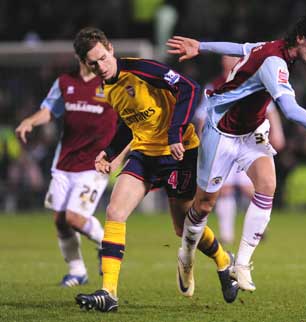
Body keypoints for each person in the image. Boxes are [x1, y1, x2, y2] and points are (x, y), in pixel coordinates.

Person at [166, 9, 306, 292]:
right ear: (301, 38)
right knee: (204, 205)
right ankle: (186, 254)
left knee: (267, 185)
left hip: (251, 131)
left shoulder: (275, 48)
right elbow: (291, 111)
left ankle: (242, 264)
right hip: (221, 129)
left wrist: (201, 46)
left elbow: (241, 49)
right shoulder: (275, 62)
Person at [72, 27, 238, 313]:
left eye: (102, 58)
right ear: (85, 64)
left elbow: (189, 88)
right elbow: (128, 124)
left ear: (110, 48)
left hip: (179, 153)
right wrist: (110, 152)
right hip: (144, 155)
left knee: (182, 227)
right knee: (115, 212)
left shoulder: (141, 69)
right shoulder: (107, 88)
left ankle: (223, 260)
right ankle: (108, 292)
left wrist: (175, 133)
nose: (100, 66)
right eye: (93, 63)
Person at [15, 59, 117, 287]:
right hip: (64, 162)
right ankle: (77, 271)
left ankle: (105, 243)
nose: (99, 61)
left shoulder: (111, 81)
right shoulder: (65, 82)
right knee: (61, 220)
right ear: (82, 57)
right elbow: (50, 110)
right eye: (94, 57)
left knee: (74, 217)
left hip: (96, 163)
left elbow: (126, 117)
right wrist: (30, 121)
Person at [195, 56, 286, 245]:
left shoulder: (252, 79)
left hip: (248, 142)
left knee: (251, 188)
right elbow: (203, 115)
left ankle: (259, 228)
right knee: (225, 190)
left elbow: (270, 109)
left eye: (235, 58)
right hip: (222, 142)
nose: (231, 62)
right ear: (222, 62)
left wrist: (277, 132)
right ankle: (227, 234)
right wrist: (203, 140)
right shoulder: (215, 84)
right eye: (228, 59)